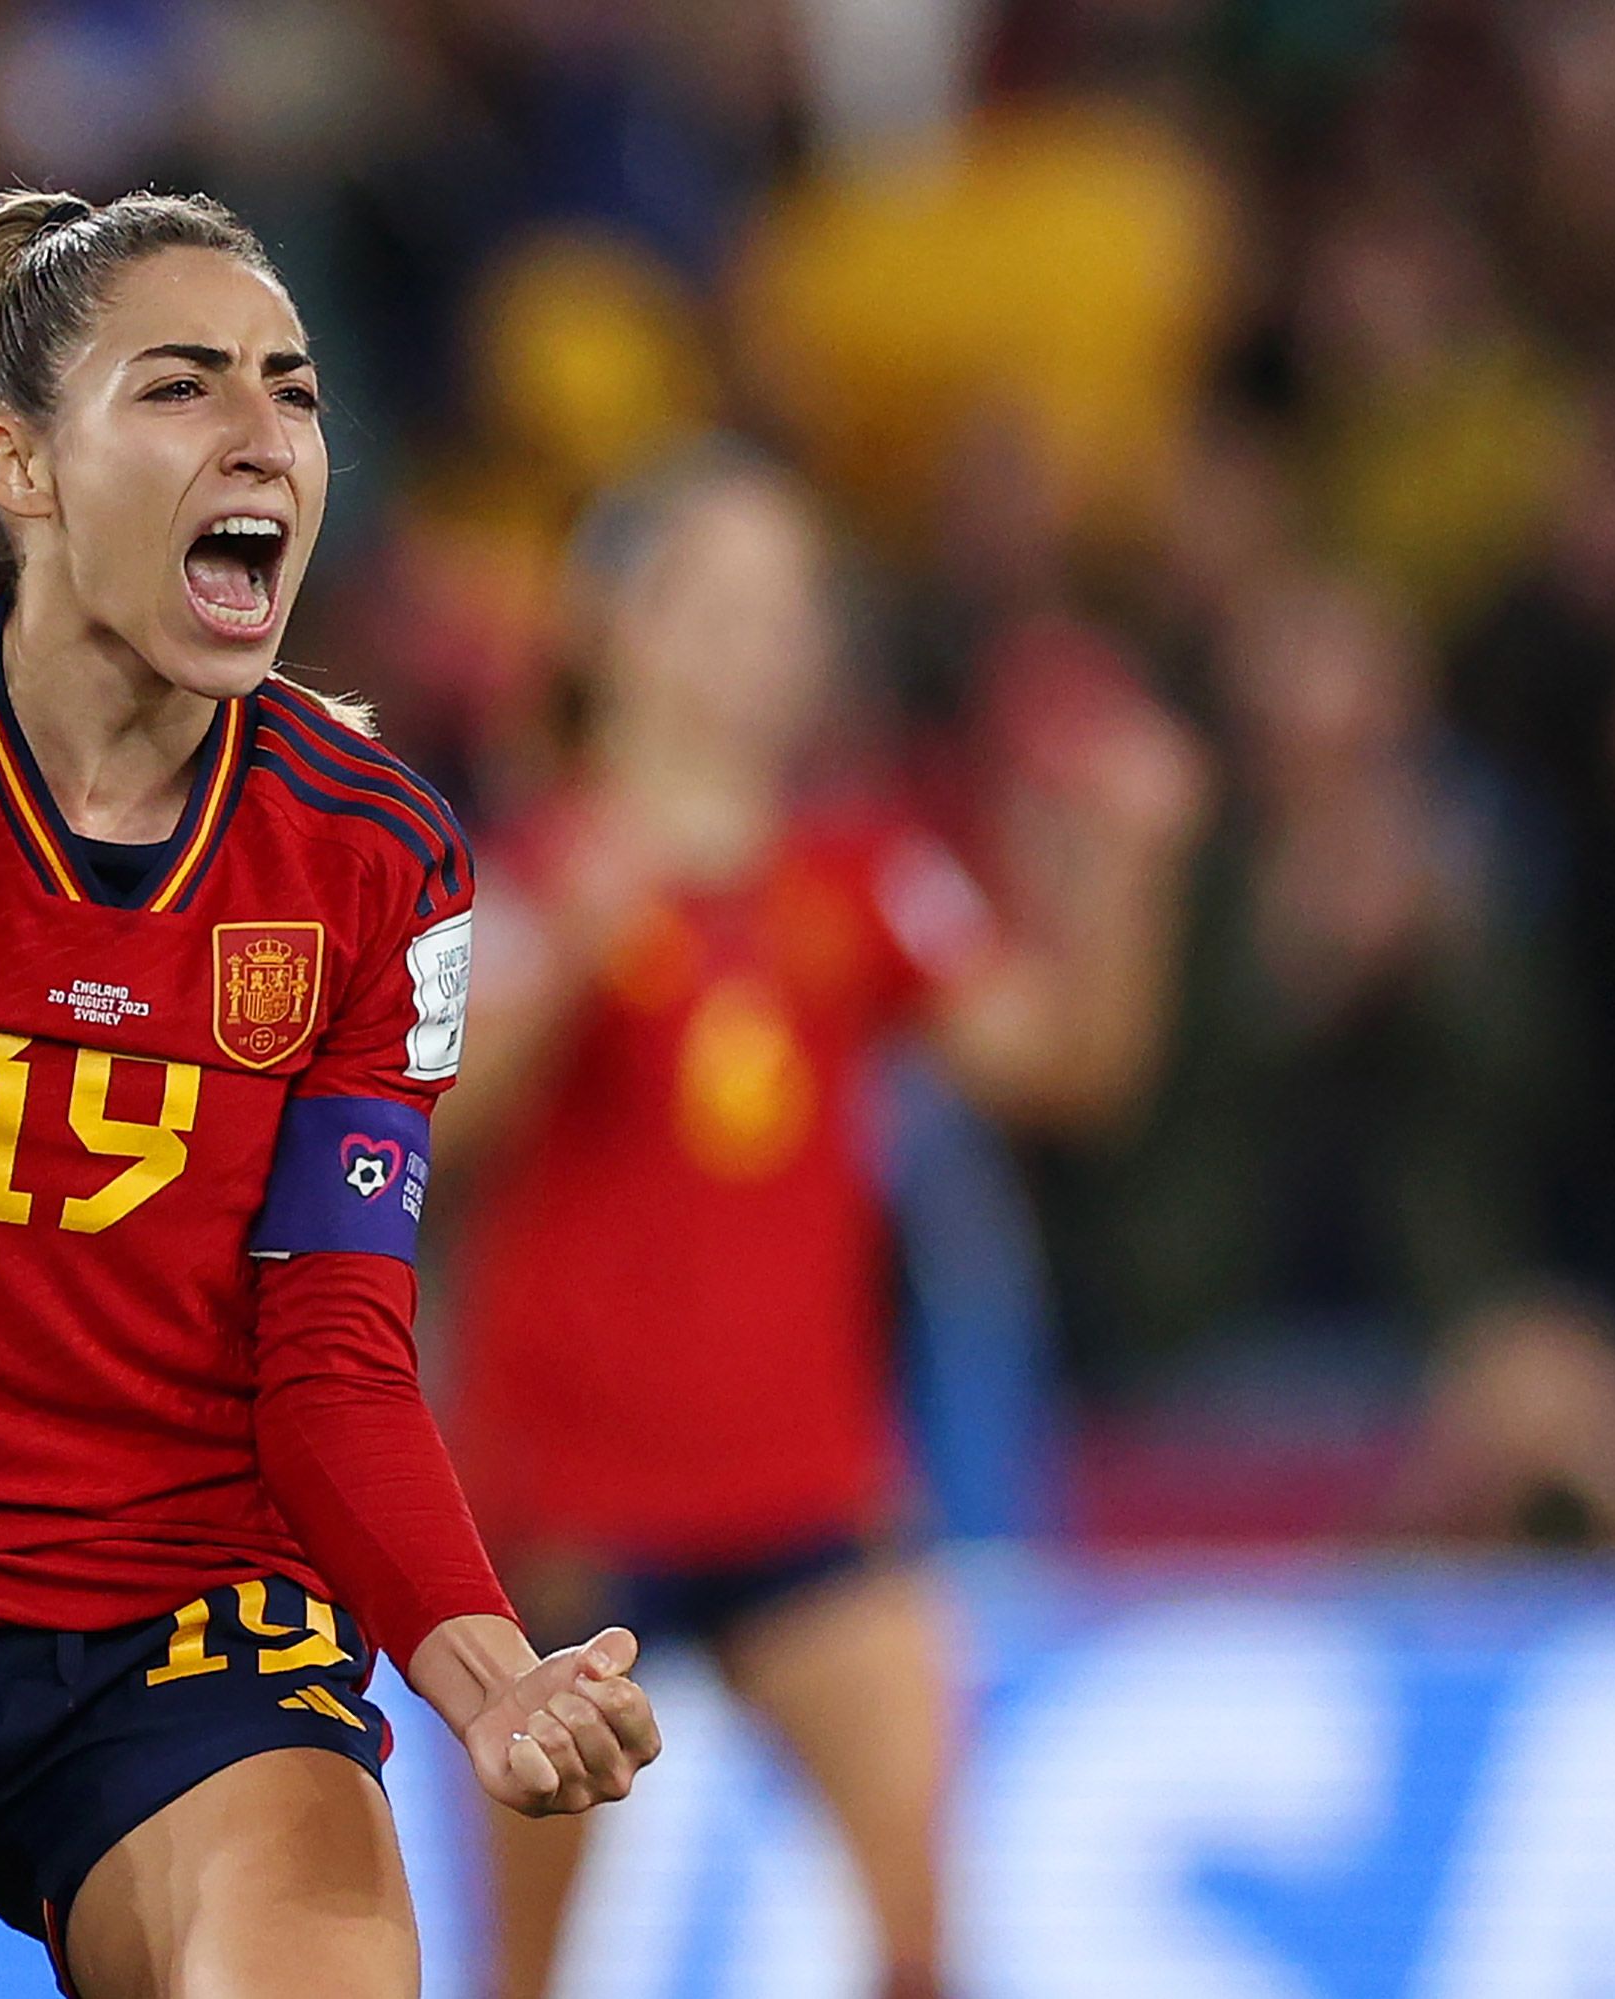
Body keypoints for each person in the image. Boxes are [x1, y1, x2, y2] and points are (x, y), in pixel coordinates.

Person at [0, 188, 661, 1999]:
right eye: (182, 387)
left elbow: (331, 1342)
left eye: (294, 390)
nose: (264, 436)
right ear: (20, 466)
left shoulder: (383, 855)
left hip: (192, 1620)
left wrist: (490, 1674)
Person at [442, 457, 1205, 1999]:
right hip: (568, 1512)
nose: (762, 645)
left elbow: (1070, 1070)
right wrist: (570, 960)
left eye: (790, 611)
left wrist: (1129, 862)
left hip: (812, 1499)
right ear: (618, 629)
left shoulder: (862, 876)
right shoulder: (522, 877)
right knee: (526, 1973)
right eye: (723, 604)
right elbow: (421, 1138)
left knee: (921, 1934)